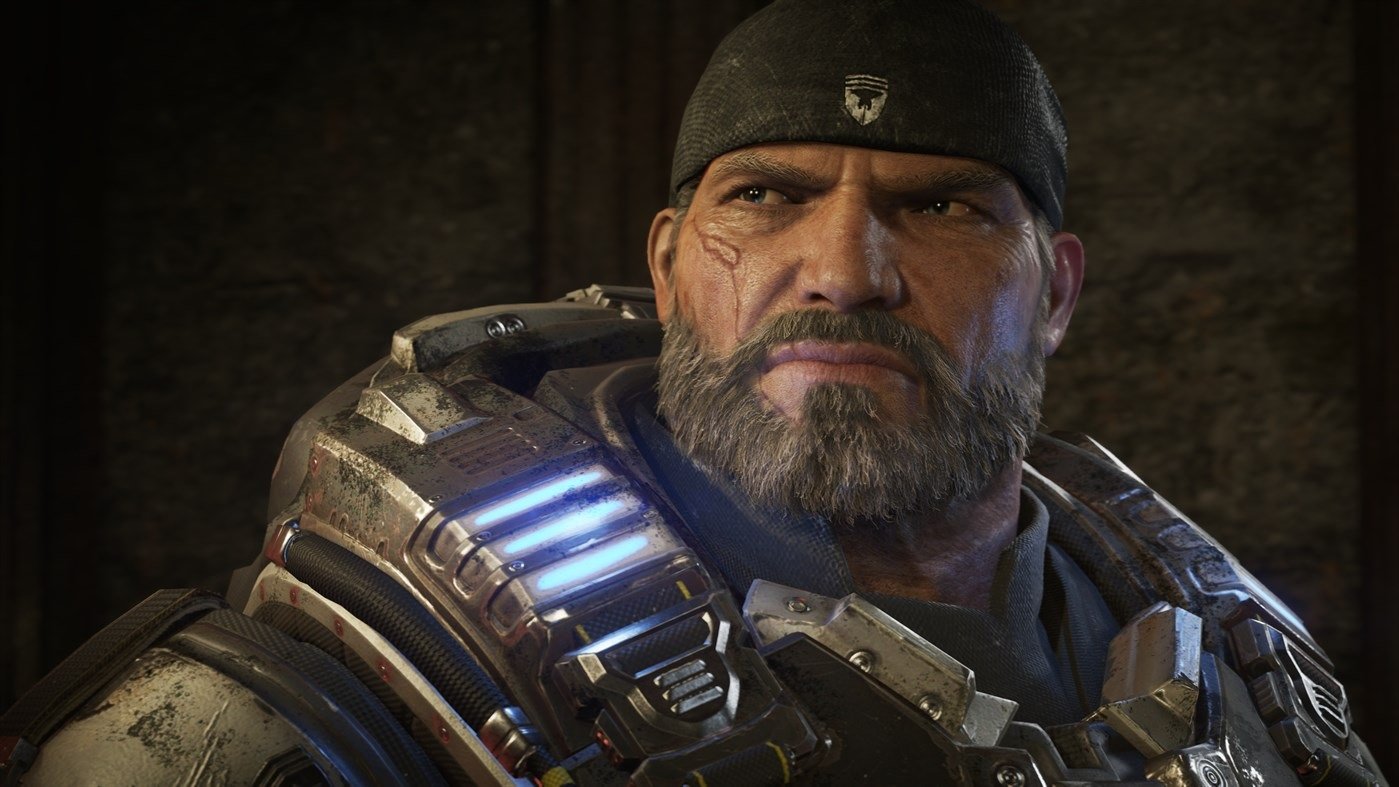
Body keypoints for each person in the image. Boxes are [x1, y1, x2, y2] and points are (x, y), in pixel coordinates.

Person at [1, 0, 1386, 784]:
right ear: (669, 266)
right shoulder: (423, 642)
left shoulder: (1218, 648)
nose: (843, 273)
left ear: (1058, 290)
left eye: (944, 207)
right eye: (767, 197)